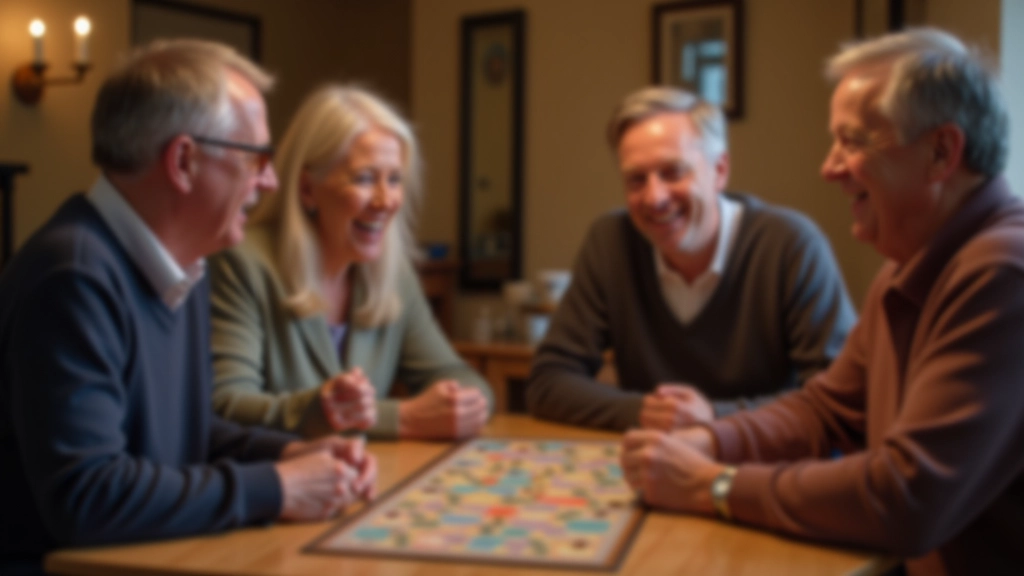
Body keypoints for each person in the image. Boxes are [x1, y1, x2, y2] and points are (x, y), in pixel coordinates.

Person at [621, 28, 1024, 576]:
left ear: (940, 153)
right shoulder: (911, 264)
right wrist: (711, 440)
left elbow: (907, 497)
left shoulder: (1002, 271)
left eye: (853, 141)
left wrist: (714, 485)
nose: (829, 167)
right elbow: (825, 409)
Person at [0, 40, 376, 574]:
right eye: (256, 159)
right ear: (184, 160)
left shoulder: (185, 265)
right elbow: (86, 496)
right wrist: (273, 488)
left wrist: (289, 454)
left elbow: (184, 436)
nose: (269, 181)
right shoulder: (74, 274)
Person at [527, 86, 856, 431]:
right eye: (636, 179)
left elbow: (841, 398)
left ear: (720, 170)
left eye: (673, 172)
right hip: (654, 466)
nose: (654, 198)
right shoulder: (611, 243)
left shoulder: (790, 246)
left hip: (762, 471)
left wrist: (714, 418)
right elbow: (548, 383)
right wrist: (648, 413)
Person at [209, 84, 492, 441]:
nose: (385, 200)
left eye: (394, 179)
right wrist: (399, 418)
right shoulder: (242, 262)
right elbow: (226, 406)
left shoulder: (392, 272)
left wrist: (461, 404)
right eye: (364, 179)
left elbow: (460, 376)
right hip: (279, 486)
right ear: (307, 189)